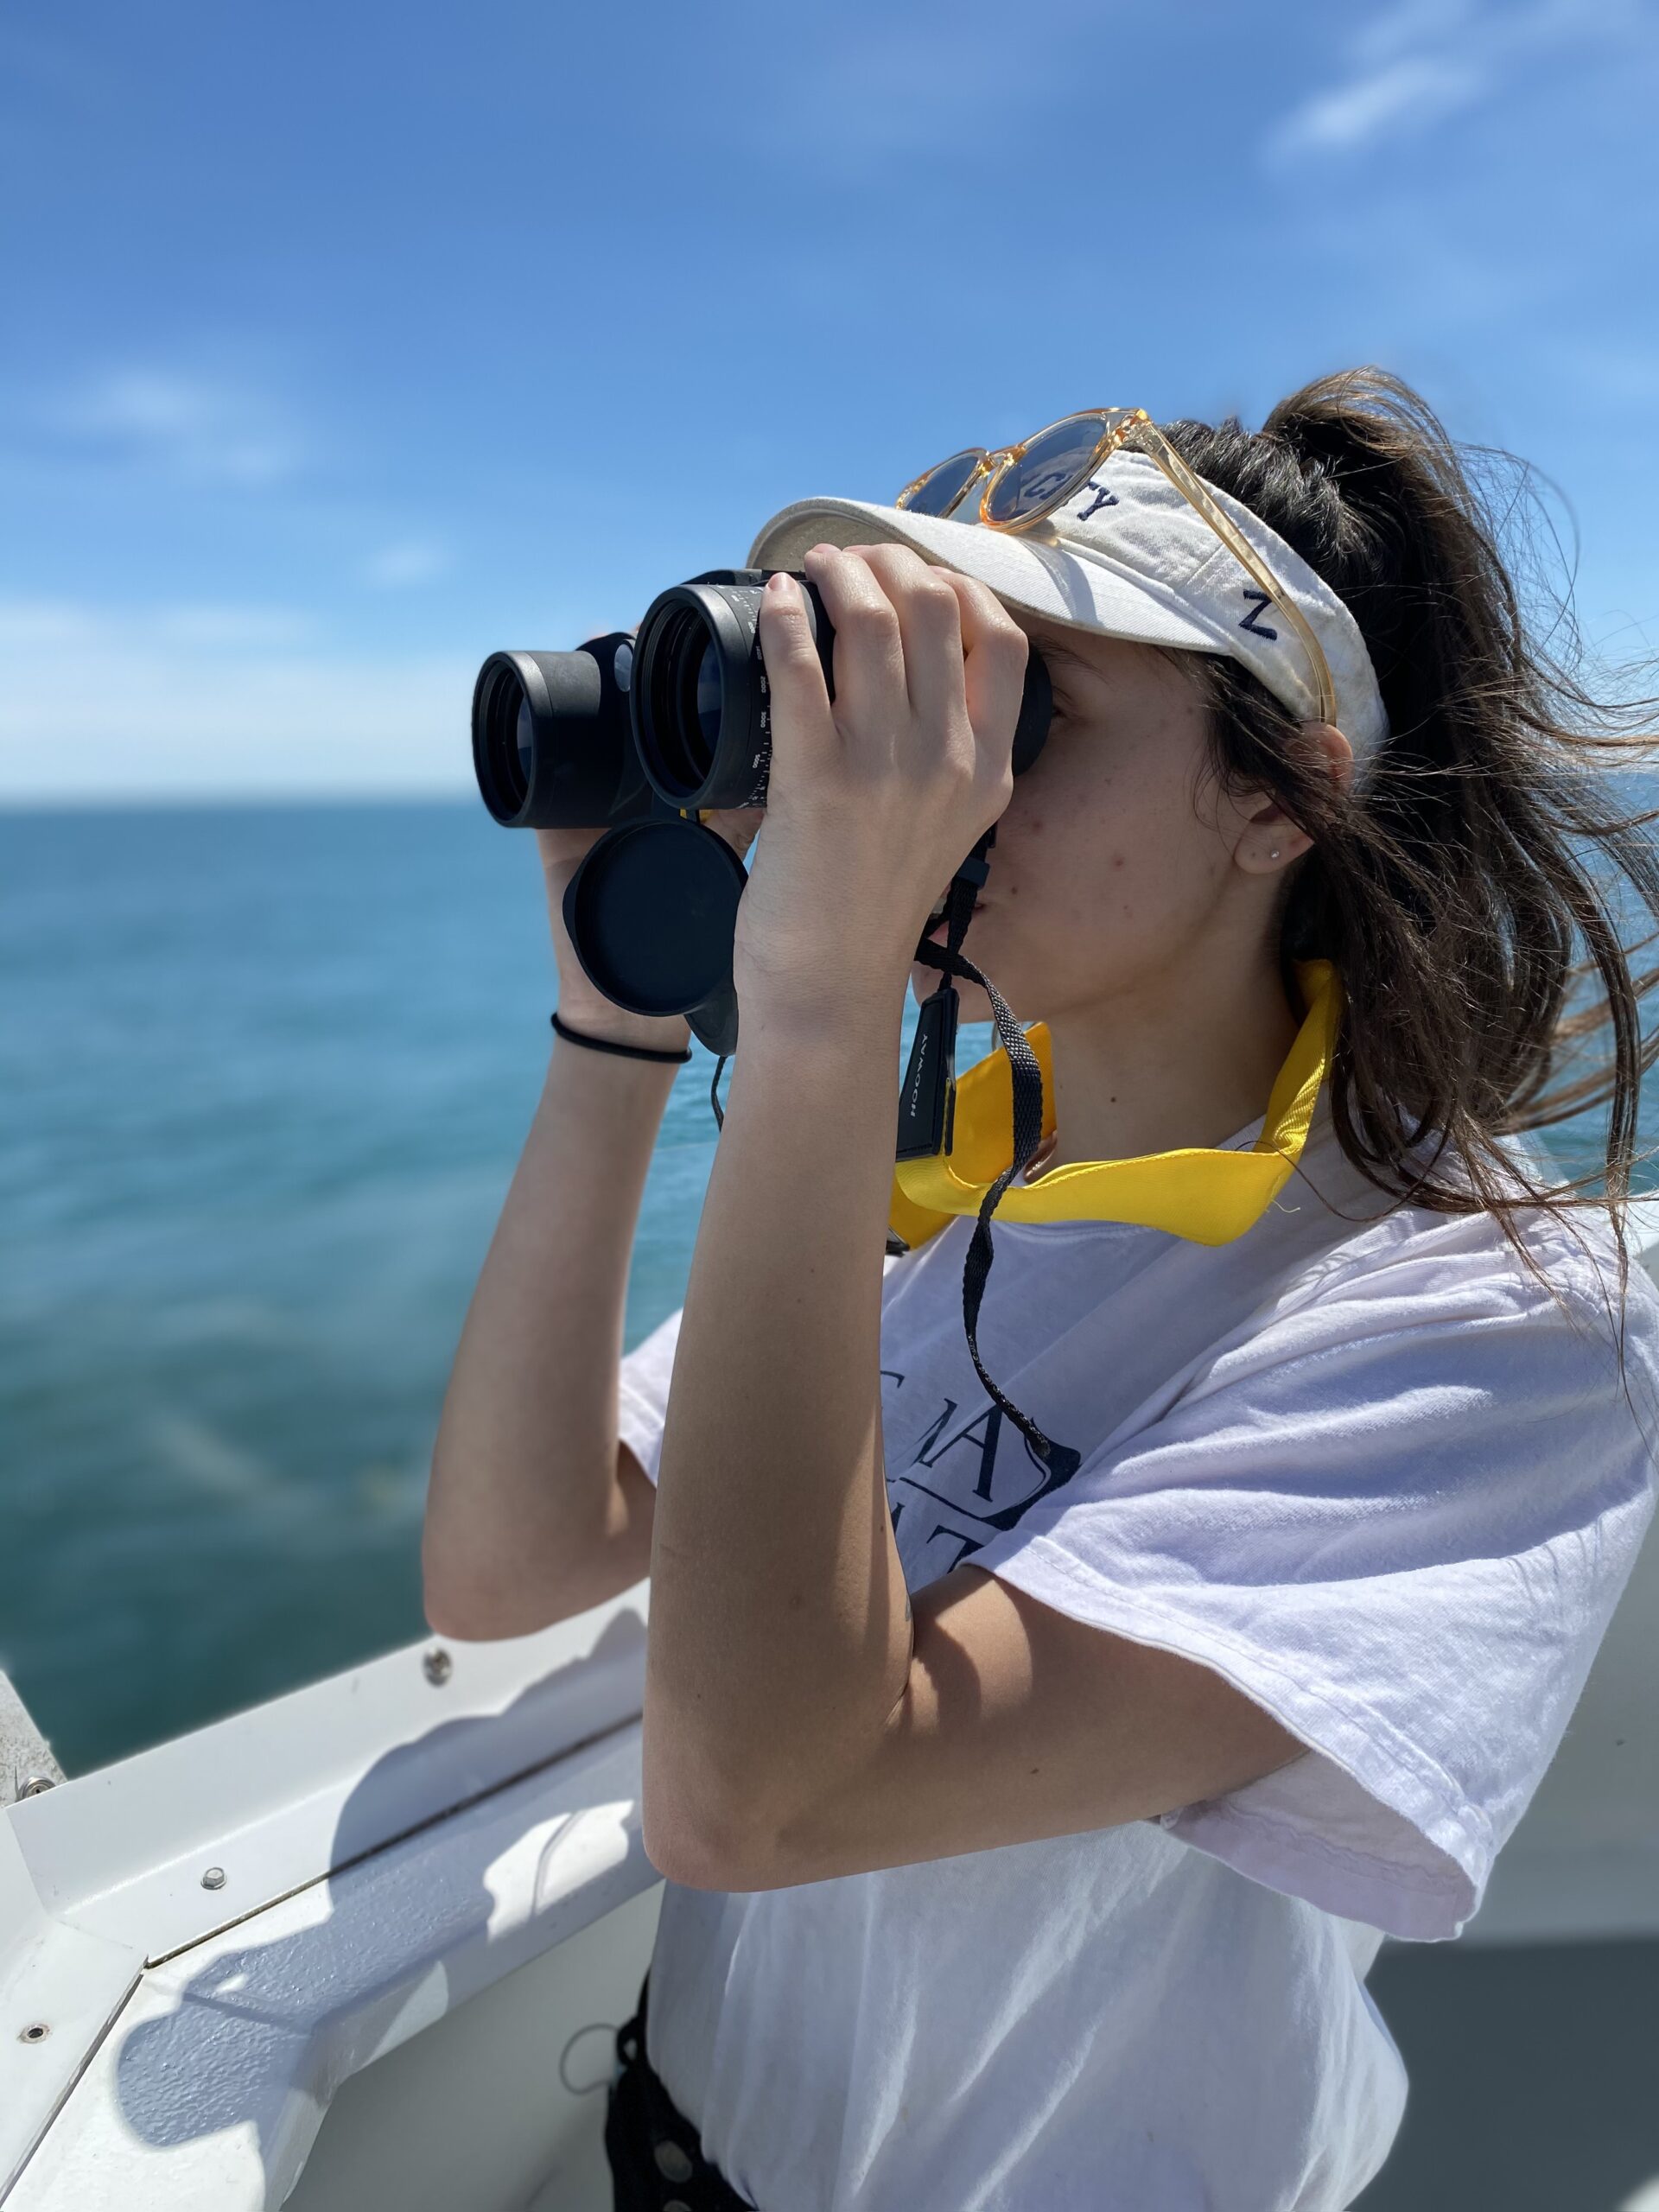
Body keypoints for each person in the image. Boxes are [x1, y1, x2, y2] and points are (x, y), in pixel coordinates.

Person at [421, 370, 1659, 2212]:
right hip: (687, 2151)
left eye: (1028, 713)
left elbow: (760, 1795)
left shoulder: (1497, 1318)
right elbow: (514, 1558)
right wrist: (627, 1001)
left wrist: (831, 992)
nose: (936, 782)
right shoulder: (953, 1187)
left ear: (1282, 803)